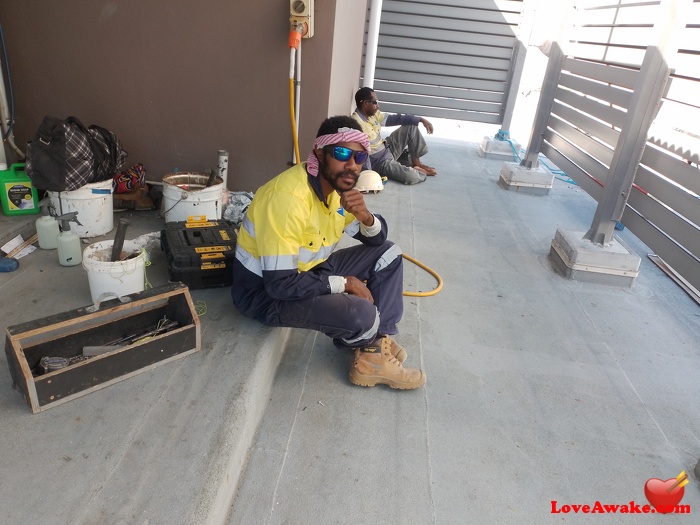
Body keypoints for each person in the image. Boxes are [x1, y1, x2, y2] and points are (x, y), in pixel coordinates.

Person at [231, 115, 426, 390]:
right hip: (265, 293)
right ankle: (369, 349)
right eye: (342, 153)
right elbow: (280, 285)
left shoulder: (336, 189)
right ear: (320, 153)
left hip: (306, 274)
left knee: (389, 254)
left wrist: (366, 216)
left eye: (359, 158)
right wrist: (345, 283)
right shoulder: (288, 200)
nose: (351, 165)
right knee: (362, 314)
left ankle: (375, 343)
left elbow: (377, 240)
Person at [352, 86, 437, 185]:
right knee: (411, 176)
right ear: (366, 103)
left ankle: (416, 164)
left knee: (411, 127)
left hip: (387, 147)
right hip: (380, 162)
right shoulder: (356, 123)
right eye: (375, 102)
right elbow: (361, 154)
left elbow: (397, 118)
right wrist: (370, 175)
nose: (378, 106)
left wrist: (421, 120)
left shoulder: (373, 115)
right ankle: (418, 171)